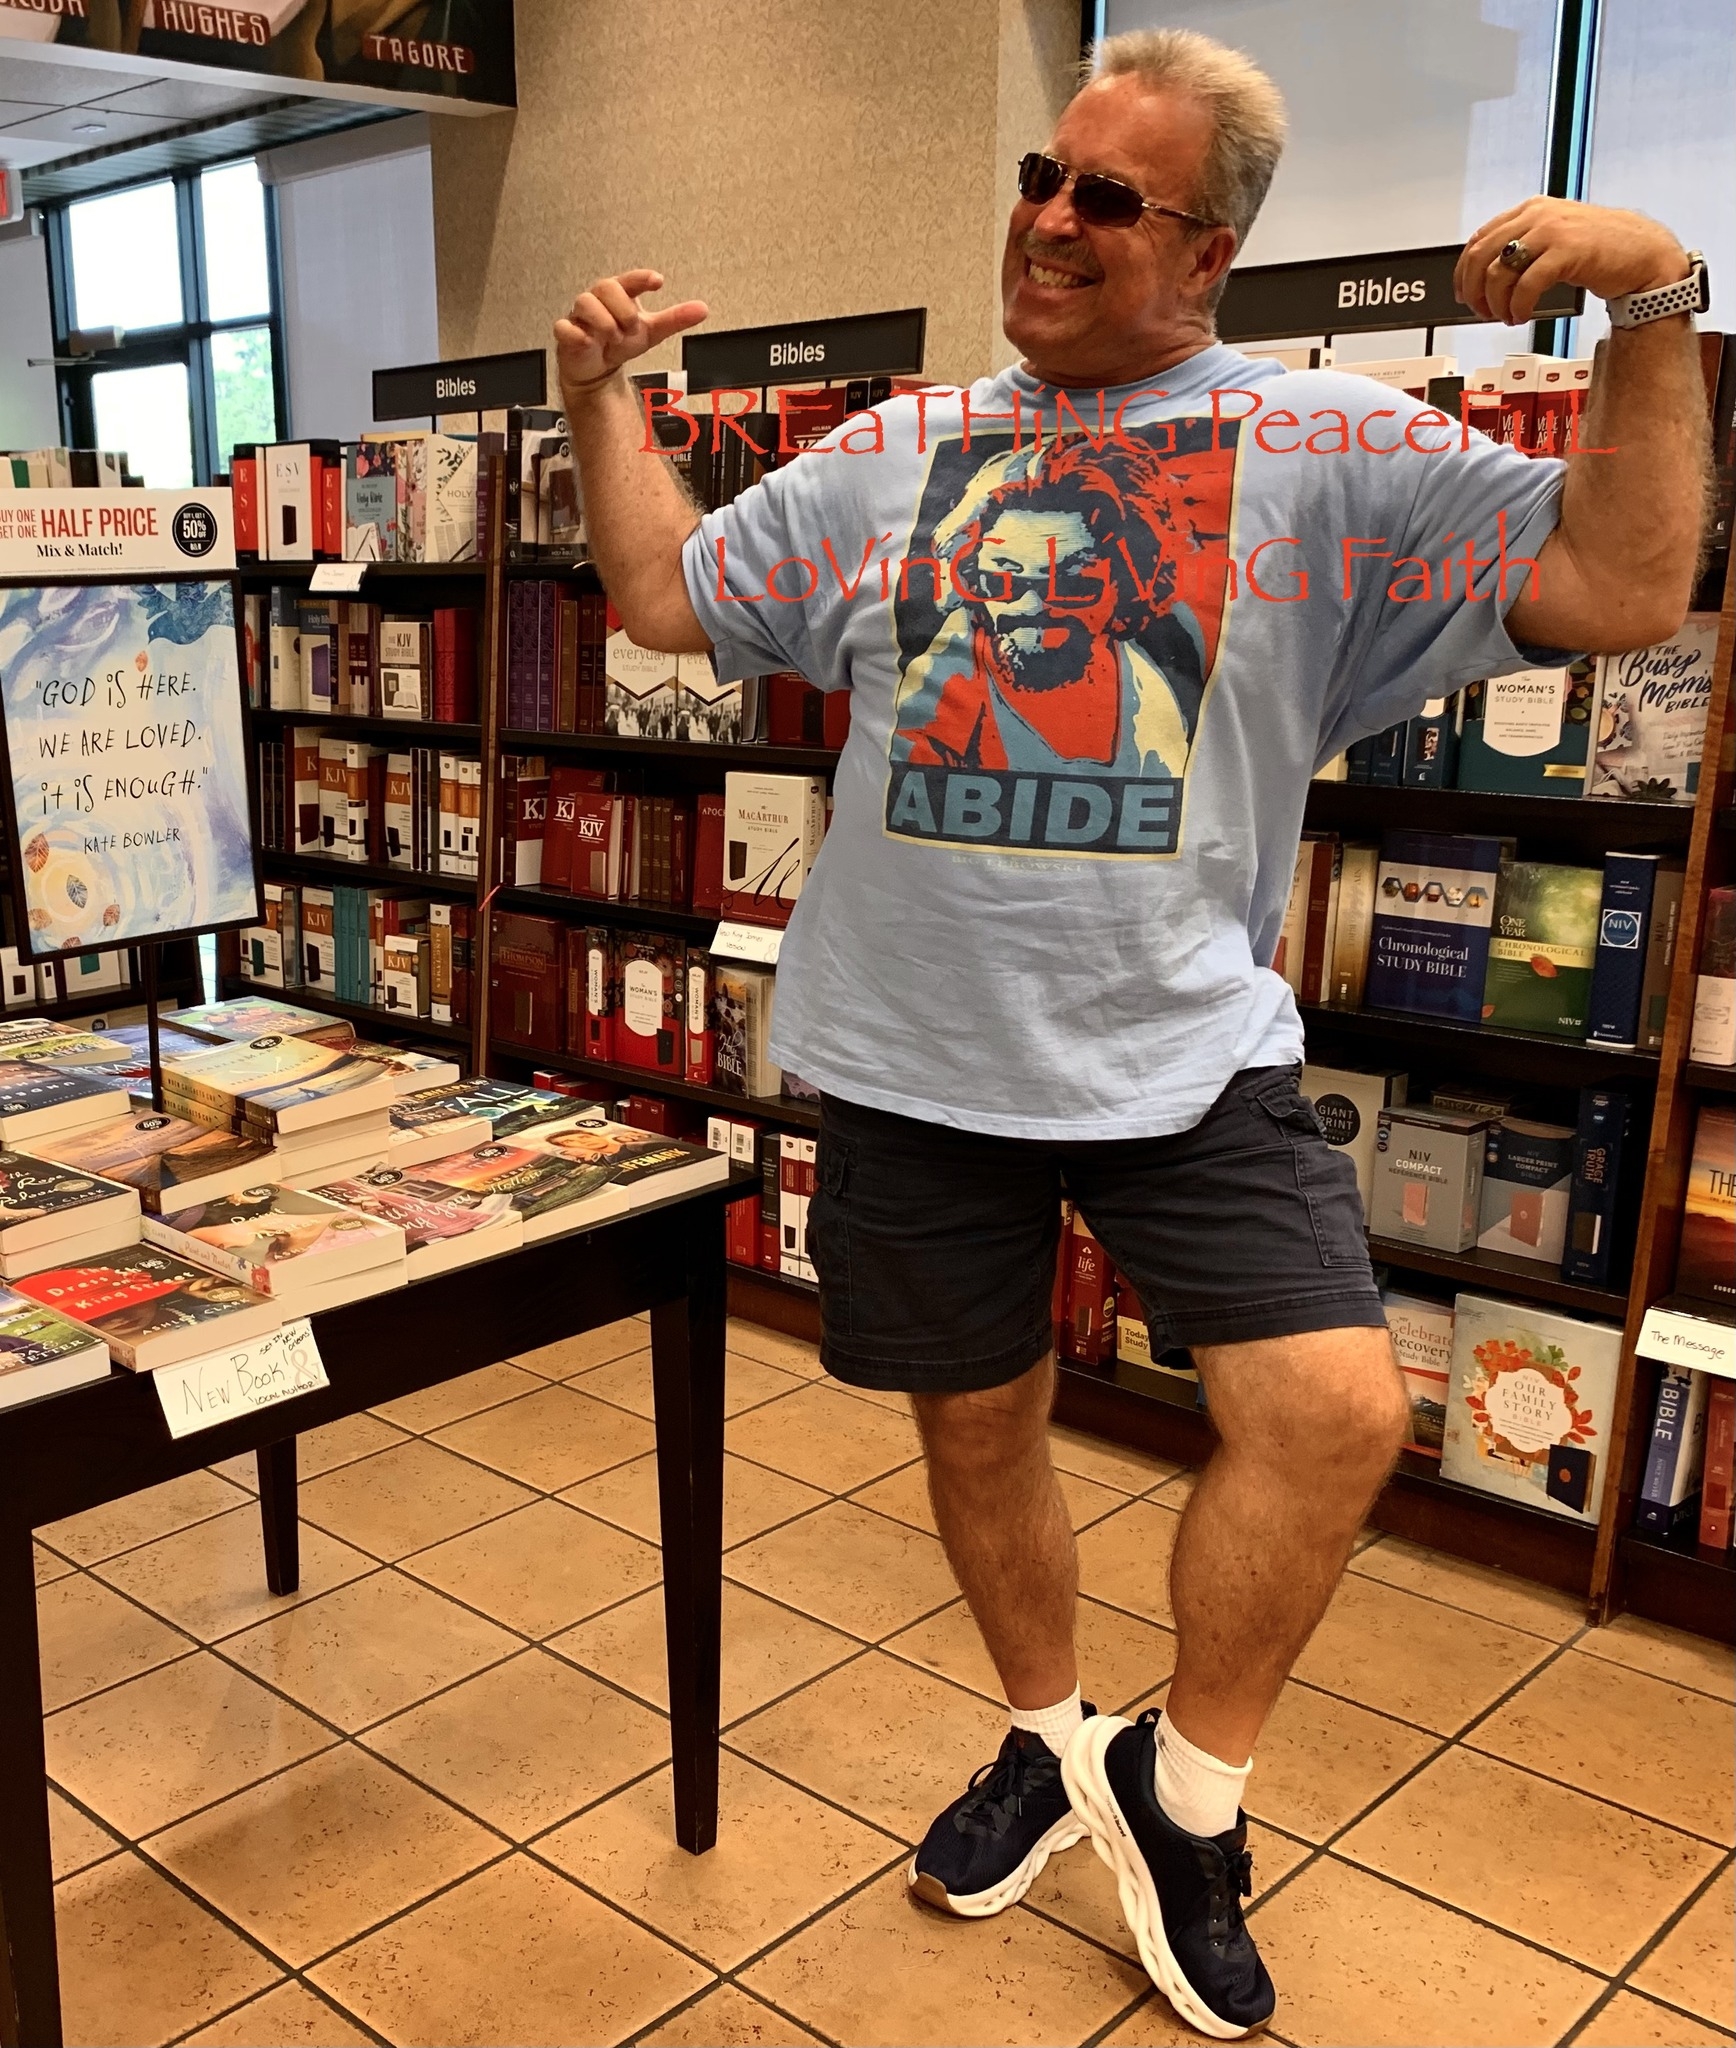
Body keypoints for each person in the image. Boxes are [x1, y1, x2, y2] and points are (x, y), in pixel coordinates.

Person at [554, 26, 1707, 2039]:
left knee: (1333, 1415)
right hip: (911, 1054)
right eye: (1041, 175)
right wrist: (596, 398)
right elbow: (662, 596)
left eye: (1109, 198)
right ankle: (1045, 1737)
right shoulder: (899, 447)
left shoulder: (1329, 447)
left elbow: (1622, 584)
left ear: (1210, 251)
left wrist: (1657, 304)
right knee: (979, 1427)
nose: (1052, 220)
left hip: (1184, 1050)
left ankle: (1186, 1798)